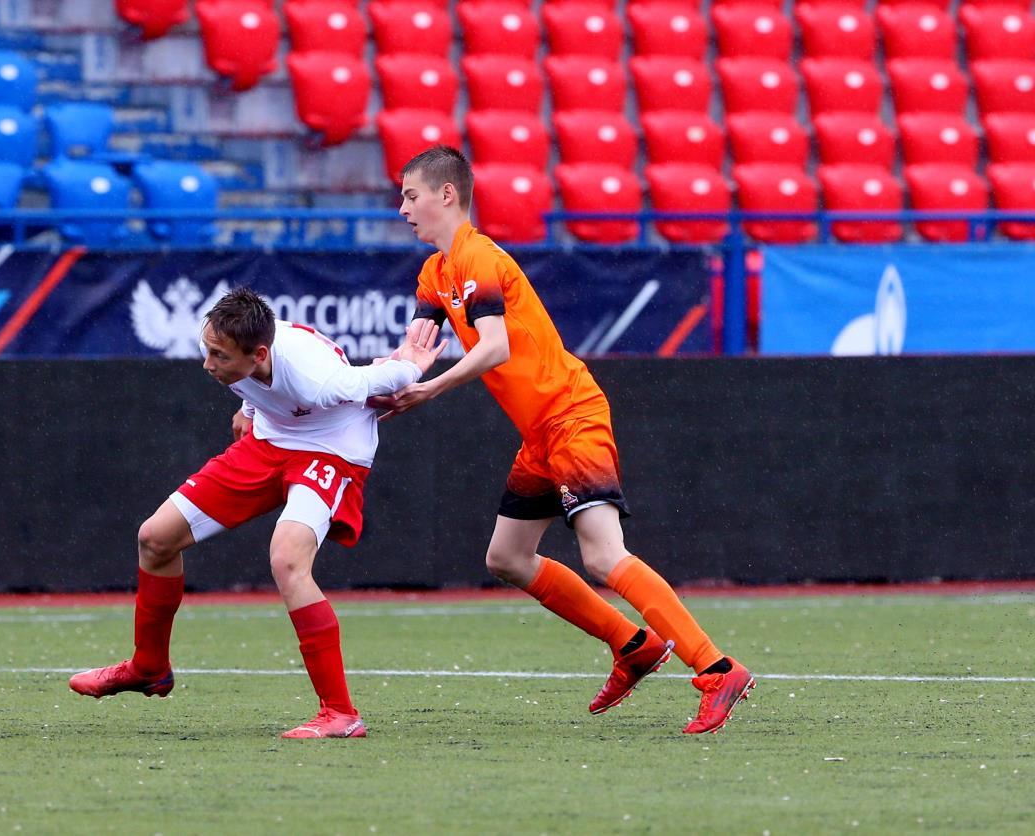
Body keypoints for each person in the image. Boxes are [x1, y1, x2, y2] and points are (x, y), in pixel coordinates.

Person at [382, 146, 754, 735]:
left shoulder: (479, 256)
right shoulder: (434, 272)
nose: (403, 209)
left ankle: (716, 668)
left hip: (571, 414)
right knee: (506, 558)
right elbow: (413, 351)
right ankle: (632, 644)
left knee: (604, 554)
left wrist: (429, 390)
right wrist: (374, 387)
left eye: (410, 196)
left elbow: (495, 348)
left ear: (446, 195)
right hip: (540, 433)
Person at [69, 287, 446, 739]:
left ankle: (341, 714)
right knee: (155, 538)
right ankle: (149, 667)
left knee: (287, 560)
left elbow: (371, 380)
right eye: (207, 348)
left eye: (219, 356)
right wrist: (249, 407)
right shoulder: (241, 347)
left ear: (259, 354)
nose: (207, 363)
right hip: (270, 440)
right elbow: (257, 379)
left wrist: (412, 365)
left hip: (331, 449)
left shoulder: (317, 378)